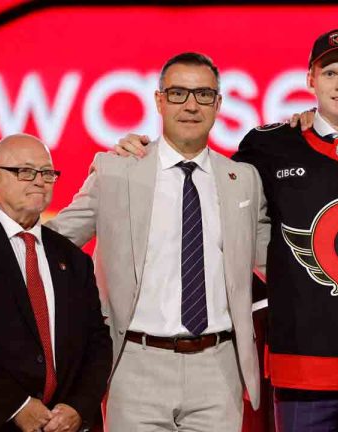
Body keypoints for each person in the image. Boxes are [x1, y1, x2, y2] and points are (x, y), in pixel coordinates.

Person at [116, 29, 338, 431]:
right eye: (330, 72)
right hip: (302, 363)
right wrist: (143, 154)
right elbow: (202, 183)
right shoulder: (269, 147)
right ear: (309, 80)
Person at [46, 52, 267, 431]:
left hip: (218, 367)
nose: (191, 105)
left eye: (203, 94)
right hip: (135, 364)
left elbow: (278, 259)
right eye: (178, 93)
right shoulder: (118, 170)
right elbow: (52, 242)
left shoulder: (242, 179)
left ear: (219, 104)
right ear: (159, 100)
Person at [0, 134, 112, 432]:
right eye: (25, 171)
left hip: (60, 425)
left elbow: (96, 341)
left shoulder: (73, 259)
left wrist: (77, 407)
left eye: (47, 173)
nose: (39, 181)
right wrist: (15, 406)